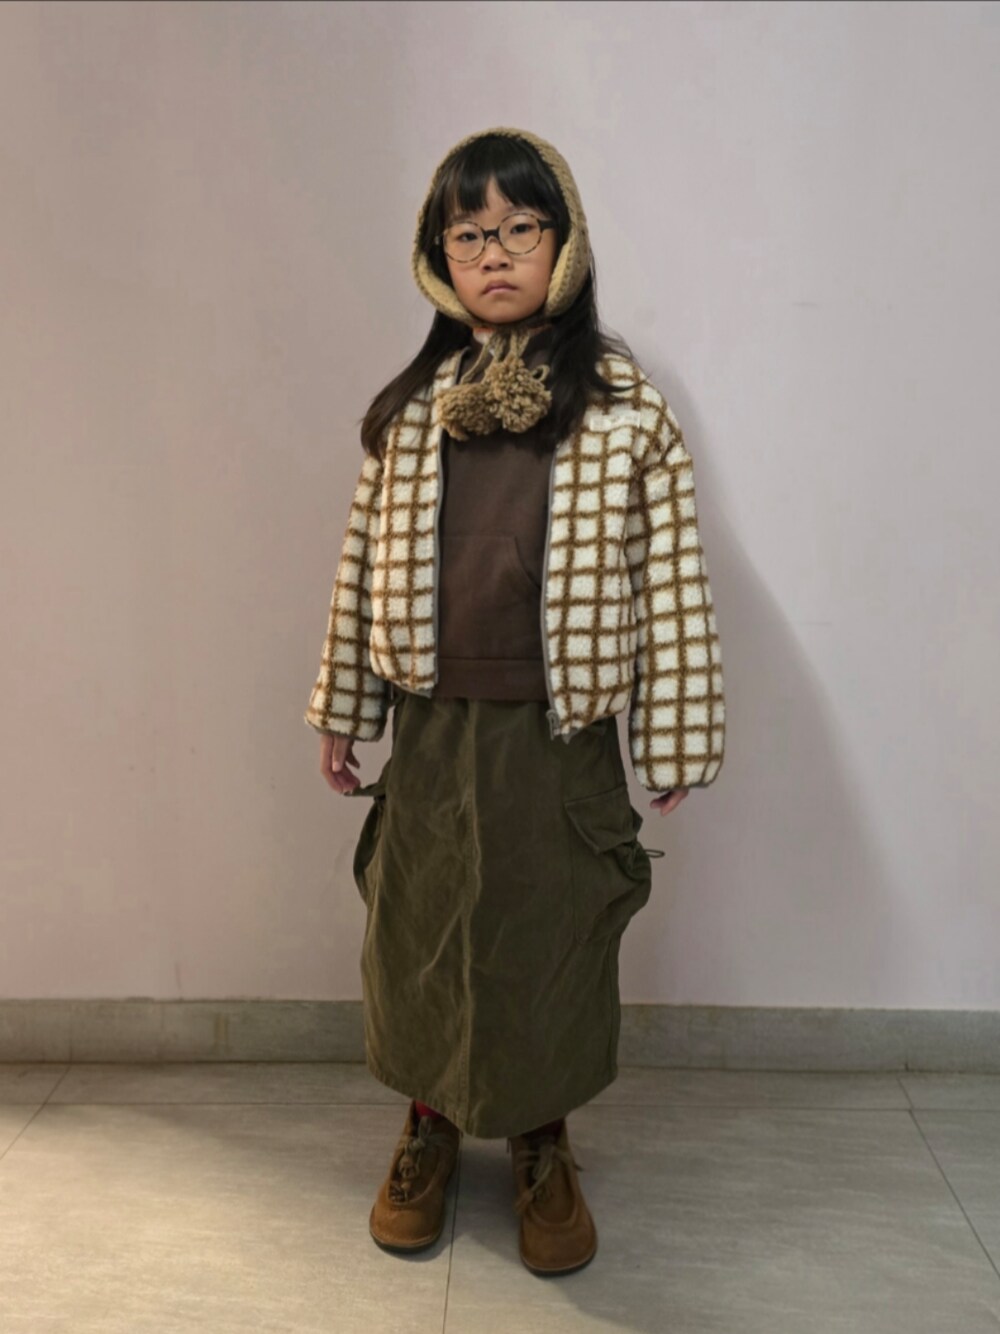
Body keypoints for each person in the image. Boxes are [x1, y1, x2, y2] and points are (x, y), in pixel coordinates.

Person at [304, 125, 726, 1276]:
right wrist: (344, 704)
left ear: (564, 243)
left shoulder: (625, 409)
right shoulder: (411, 409)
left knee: (547, 934)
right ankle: (429, 1122)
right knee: (423, 929)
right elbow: (358, 565)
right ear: (438, 256)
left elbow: (671, 577)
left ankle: (542, 1136)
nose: (494, 253)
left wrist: (675, 732)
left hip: (558, 731)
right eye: (468, 233)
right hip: (434, 723)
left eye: (518, 228)